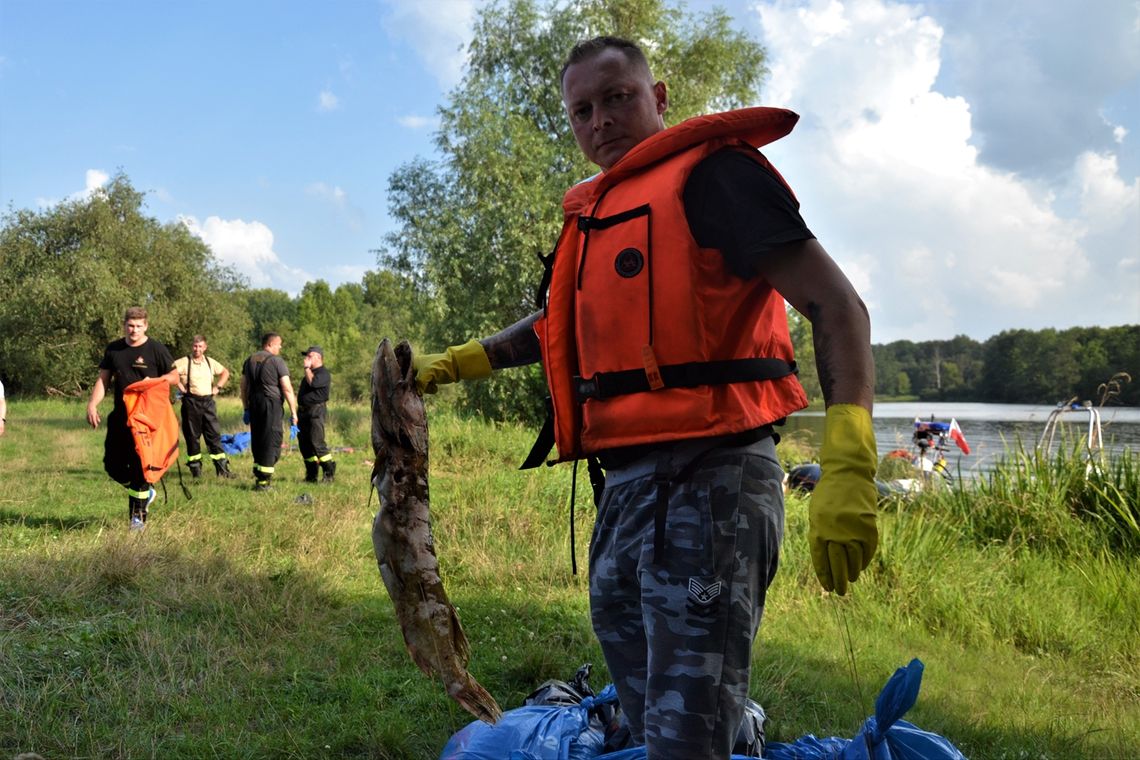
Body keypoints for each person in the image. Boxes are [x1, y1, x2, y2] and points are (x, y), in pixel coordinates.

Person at [412, 37, 878, 760]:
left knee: (688, 737)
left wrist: (849, 462)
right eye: (582, 110)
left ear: (658, 97)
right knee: (643, 706)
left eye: (618, 98)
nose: (600, 120)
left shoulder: (715, 178)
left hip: (713, 484)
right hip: (626, 490)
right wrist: (458, 364)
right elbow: (558, 328)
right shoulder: (599, 213)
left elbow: (838, 305)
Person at [86, 306, 180, 530]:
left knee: (140, 468)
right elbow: (103, 380)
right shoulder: (114, 350)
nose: (134, 330)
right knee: (113, 466)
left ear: (146, 326)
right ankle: (144, 493)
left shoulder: (156, 349)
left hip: (147, 420)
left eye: (138, 326)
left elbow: (175, 376)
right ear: (124, 325)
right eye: (130, 325)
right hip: (120, 416)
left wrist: (155, 381)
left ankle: (137, 519)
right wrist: (92, 403)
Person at [239, 332, 298, 491]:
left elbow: (243, 387)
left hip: (254, 404)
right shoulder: (277, 361)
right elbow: (287, 388)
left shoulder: (249, 360)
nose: (280, 347)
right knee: (271, 440)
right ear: (270, 344)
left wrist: (246, 408)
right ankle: (264, 483)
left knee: (258, 439)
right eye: (279, 344)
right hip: (270, 405)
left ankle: (259, 475)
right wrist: (294, 412)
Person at [173, 335, 235, 478]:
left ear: (205, 347)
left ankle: (223, 471)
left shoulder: (210, 362)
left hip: (208, 402)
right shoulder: (184, 362)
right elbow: (169, 372)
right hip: (191, 402)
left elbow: (225, 372)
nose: (197, 349)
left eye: (200, 346)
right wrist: (180, 386)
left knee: (214, 435)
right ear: (192, 346)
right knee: (192, 437)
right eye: (195, 346)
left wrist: (218, 387)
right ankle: (196, 472)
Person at [297, 345, 336, 483]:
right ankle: (311, 475)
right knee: (304, 445)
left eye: (309, 356)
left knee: (317, 443)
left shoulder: (323, 374)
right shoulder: (309, 374)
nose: (306, 359)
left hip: (315, 412)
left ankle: (329, 473)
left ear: (318, 358)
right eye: (306, 356)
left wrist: (307, 368)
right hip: (303, 412)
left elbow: (313, 383)